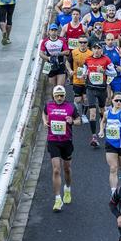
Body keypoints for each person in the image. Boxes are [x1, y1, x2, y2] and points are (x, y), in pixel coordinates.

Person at [42, 85, 81, 213]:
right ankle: (58, 199)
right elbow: (44, 113)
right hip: (53, 141)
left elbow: (79, 121)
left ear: (65, 96)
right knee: (56, 170)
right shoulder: (49, 105)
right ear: (53, 96)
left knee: (67, 169)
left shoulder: (70, 107)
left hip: (66, 142)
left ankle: (68, 188)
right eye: (57, 95)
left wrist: (72, 121)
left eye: (62, 96)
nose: (59, 98)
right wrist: (44, 121)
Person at [80, 42, 118, 147]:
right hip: (91, 89)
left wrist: (104, 71)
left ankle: (103, 126)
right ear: (92, 49)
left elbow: (114, 73)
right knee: (92, 113)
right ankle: (94, 137)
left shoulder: (106, 59)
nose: (97, 51)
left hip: (102, 89)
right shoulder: (87, 60)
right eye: (95, 48)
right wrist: (84, 74)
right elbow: (85, 71)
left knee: (102, 111)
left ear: (102, 50)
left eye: (99, 49)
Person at [40, 23, 69, 90]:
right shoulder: (45, 41)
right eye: (52, 30)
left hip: (60, 65)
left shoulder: (62, 40)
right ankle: (54, 100)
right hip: (50, 66)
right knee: (53, 89)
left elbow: (67, 51)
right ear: (49, 31)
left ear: (57, 31)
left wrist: (58, 54)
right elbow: (41, 54)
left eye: (55, 30)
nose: (53, 32)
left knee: (59, 88)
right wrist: (48, 58)